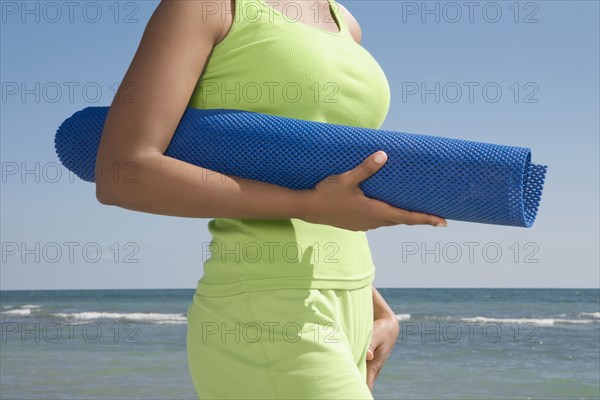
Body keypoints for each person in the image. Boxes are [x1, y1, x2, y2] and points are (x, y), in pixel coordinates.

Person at [95, 0, 447, 398]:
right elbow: (122, 172)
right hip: (265, 307)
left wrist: (375, 305)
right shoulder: (205, 7)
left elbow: (326, 179)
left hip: (351, 303)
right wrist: (305, 206)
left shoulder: (345, 22)